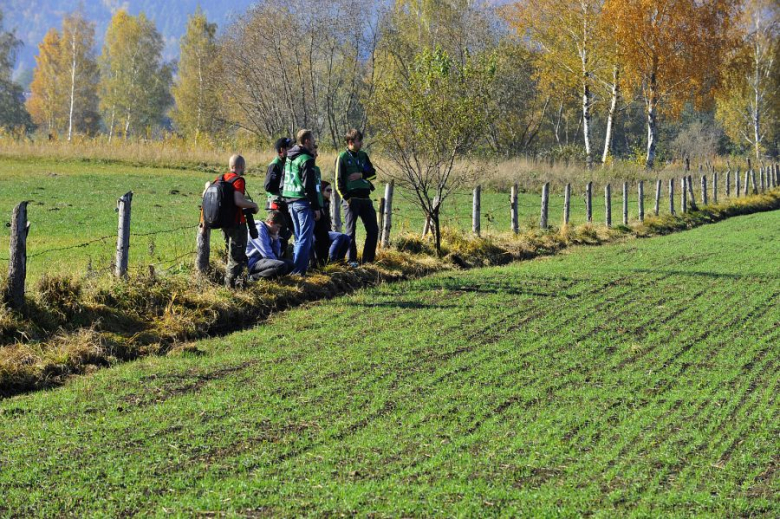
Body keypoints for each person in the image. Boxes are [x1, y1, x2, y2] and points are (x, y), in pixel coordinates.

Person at [336, 128, 378, 266]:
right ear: (350, 142)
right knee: (351, 231)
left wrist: (361, 175)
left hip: (366, 198)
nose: (361, 143)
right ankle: (351, 260)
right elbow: (338, 181)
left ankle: (368, 261)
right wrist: (346, 198)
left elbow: (373, 174)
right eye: (359, 140)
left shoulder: (363, 156)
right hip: (351, 199)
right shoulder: (342, 157)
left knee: (373, 230)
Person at [282, 129, 322, 276]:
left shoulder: (289, 157)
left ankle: (296, 268)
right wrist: (315, 207)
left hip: (290, 200)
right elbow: (309, 186)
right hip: (302, 202)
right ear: (306, 141)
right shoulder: (306, 159)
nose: (314, 142)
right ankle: (298, 271)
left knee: (299, 237)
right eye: (312, 139)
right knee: (304, 238)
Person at [218, 154, 259, 288]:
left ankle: (236, 283)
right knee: (237, 258)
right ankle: (230, 288)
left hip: (223, 223)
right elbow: (238, 201)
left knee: (230, 254)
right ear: (241, 166)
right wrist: (254, 205)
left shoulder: (220, 178)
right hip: (237, 223)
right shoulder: (238, 180)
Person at [264, 137, 294, 256]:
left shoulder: (287, 163)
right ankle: (277, 260)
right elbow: (268, 186)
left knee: (287, 233)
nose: (292, 149)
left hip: (285, 204)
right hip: (277, 205)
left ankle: (285, 258)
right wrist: (283, 190)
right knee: (280, 234)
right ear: (282, 150)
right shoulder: (275, 165)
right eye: (289, 147)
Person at [246, 211, 294, 279]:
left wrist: (276, 240)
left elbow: (277, 254)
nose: (278, 230)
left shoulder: (270, 231)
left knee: (291, 264)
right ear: (271, 223)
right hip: (253, 262)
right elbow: (267, 254)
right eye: (278, 227)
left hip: (264, 260)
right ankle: (253, 278)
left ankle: (272, 277)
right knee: (281, 266)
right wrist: (277, 262)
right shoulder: (259, 231)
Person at [316, 180, 351, 264]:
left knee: (346, 237)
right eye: (328, 190)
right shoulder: (317, 204)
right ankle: (332, 261)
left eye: (331, 190)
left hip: (325, 231)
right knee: (339, 236)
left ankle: (340, 262)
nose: (330, 192)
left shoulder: (326, 203)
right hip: (317, 233)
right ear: (321, 190)